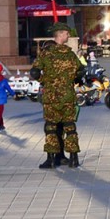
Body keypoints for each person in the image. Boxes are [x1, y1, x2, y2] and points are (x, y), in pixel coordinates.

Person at [30, 22, 85, 169]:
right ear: (60, 34)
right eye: (66, 33)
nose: (68, 35)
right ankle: (73, 158)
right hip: (67, 96)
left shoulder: (46, 53)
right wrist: (74, 80)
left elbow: (34, 72)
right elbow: (81, 72)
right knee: (69, 127)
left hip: (51, 96)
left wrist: (45, 81)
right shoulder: (70, 54)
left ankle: (51, 159)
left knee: (51, 127)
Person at [0, 63, 15, 131]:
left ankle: (1, 125)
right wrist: (13, 94)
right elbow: (8, 88)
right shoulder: (3, 80)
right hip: (1, 100)